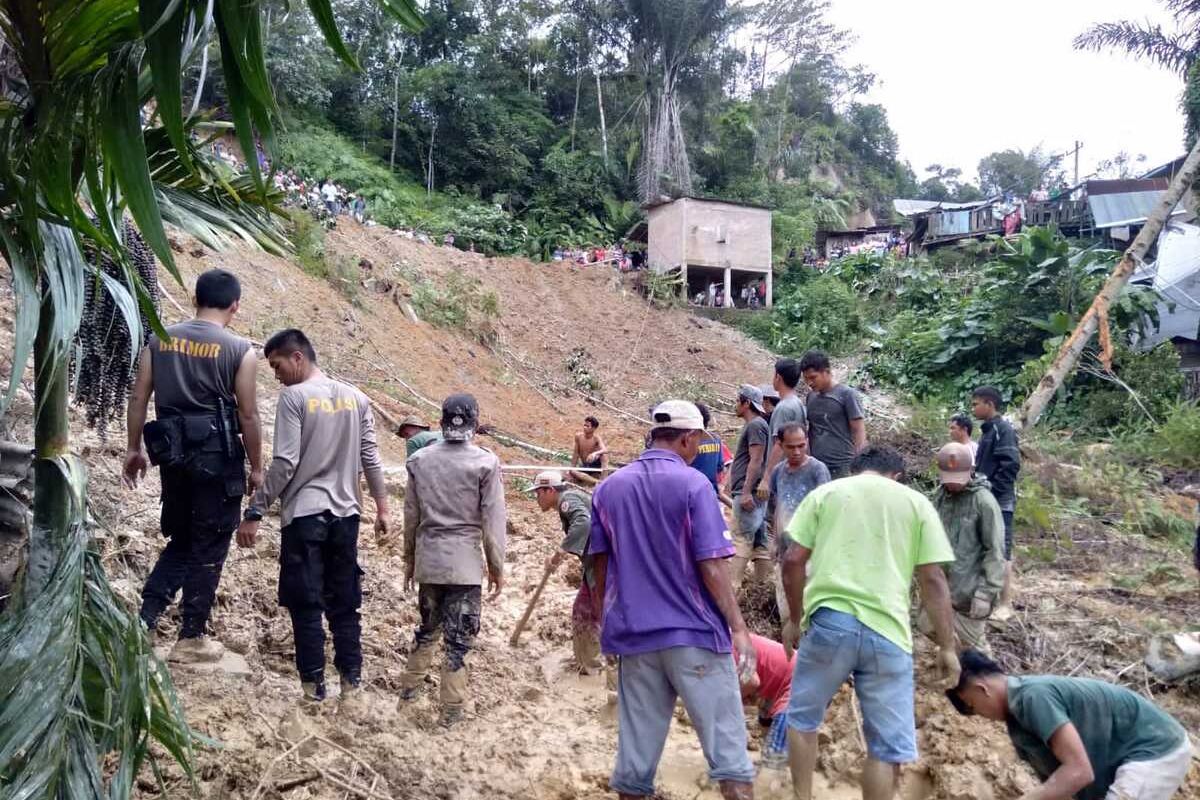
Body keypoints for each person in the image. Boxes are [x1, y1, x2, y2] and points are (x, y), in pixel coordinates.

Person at [589, 400, 757, 800]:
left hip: (636, 639)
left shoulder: (609, 487)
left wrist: (604, 625)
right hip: (695, 636)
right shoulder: (694, 485)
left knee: (634, 768)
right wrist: (738, 627)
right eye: (697, 440)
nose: (697, 447)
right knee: (731, 761)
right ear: (687, 438)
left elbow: (597, 567)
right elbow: (712, 566)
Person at [780, 446, 960, 800]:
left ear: (856, 469)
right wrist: (947, 645)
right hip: (888, 632)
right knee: (884, 748)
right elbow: (934, 580)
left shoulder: (827, 493)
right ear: (896, 475)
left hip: (831, 622)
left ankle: (802, 796)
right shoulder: (916, 503)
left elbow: (792, 560)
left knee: (802, 719)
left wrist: (796, 619)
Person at [236, 329, 389, 704]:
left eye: (277, 365)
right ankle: (351, 685)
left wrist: (255, 510)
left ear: (298, 357)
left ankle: (313, 688)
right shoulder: (356, 398)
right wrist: (383, 507)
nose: (276, 374)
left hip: (305, 515)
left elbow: (285, 463)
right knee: (345, 601)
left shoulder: (294, 397)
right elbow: (370, 457)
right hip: (347, 515)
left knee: (306, 603)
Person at [124, 269, 263, 663]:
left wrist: (133, 449)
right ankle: (191, 638)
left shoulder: (160, 339)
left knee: (182, 540)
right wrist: (257, 467)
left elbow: (138, 398)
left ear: (193, 298)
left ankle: (145, 621)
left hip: (172, 456)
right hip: (217, 460)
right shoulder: (239, 350)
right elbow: (249, 416)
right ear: (235, 305)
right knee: (211, 543)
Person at [946, 650, 1192, 800]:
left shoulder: (1033, 697)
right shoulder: (1018, 724)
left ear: (981, 690)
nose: (979, 714)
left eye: (971, 706)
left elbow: (1079, 772)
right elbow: (1061, 786)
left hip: (1156, 748)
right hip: (1125, 757)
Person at [400, 394, 506, 725]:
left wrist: (409, 561)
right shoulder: (485, 463)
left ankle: (408, 694)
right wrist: (496, 567)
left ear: (443, 420)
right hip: (464, 565)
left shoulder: (419, 460)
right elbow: (493, 522)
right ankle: (451, 712)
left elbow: (411, 518)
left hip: (429, 561)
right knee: (459, 642)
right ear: (474, 422)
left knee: (427, 629)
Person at [925, 443, 1005, 654]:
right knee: (926, 625)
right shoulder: (940, 497)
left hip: (970, 591)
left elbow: (995, 551)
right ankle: (955, 659)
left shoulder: (984, 502)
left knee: (976, 650)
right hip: (943, 587)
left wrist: (985, 594)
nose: (953, 485)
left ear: (971, 470)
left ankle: (986, 681)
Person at [526, 471, 603, 673]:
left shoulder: (566, 500)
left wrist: (559, 554)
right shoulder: (570, 499)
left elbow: (583, 522)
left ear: (550, 490)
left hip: (604, 565)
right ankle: (588, 663)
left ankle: (602, 665)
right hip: (595, 564)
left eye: (538, 493)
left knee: (599, 614)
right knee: (583, 612)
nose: (537, 499)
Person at [765, 423, 829, 628]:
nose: (797, 451)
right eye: (791, 447)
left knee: (811, 610)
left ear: (807, 443)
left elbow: (826, 512)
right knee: (786, 611)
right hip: (785, 550)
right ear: (780, 445)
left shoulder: (817, 470)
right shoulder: (778, 472)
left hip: (810, 552)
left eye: (801, 446)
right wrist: (775, 542)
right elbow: (778, 507)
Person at [972, 386, 1021, 614]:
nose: (973, 408)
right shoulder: (988, 431)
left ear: (989, 404)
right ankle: (986, 597)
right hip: (985, 498)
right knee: (986, 547)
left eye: (976, 404)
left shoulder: (1003, 430)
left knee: (1002, 550)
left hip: (999, 501)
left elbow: (1010, 465)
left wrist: (991, 491)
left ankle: (1005, 604)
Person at [728, 385, 770, 591]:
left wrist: (745, 492)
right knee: (759, 542)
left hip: (748, 494)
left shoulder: (755, 426)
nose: (735, 405)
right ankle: (762, 589)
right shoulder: (758, 425)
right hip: (751, 493)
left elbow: (756, 460)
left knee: (740, 538)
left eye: (738, 401)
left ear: (746, 403)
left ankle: (731, 589)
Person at [800, 350, 866, 479]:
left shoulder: (847, 395)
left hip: (842, 466)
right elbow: (810, 430)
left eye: (813, 377)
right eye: (806, 379)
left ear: (827, 372)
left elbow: (859, 430)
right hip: (817, 466)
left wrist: (859, 464)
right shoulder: (811, 397)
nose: (809, 383)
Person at [755, 358, 809, 504]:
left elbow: (778, 444)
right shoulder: (797, 403)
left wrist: (766, 478)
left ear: (778, 377)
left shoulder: (783, 408)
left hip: (783, 473)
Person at [740, 634, 795, 771]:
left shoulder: (727, 646)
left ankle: (772, 778)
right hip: (778, 684)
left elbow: (752, 682)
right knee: (766, 726)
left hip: (799, 683)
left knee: (773, 756)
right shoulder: (730, 637)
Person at [690, 402, 733, 507]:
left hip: (692, 496)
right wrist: (721, 485)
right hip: (711, 495)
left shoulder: (689, 442)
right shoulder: (715, 440)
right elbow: (720, 467)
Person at [571, 415, 608, 485]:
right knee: (573, 471)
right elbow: (575, 454)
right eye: (584, 425)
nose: (585, 427)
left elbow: (605, 450)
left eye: (587, 426)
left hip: (595, 465)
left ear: (593, 428)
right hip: (585, 465)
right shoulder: (578, 436)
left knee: (603, 455)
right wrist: (572, 467)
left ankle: (604, 479)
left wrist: (594, 454)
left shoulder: (596, 438)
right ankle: (597, 482)